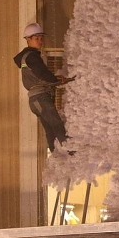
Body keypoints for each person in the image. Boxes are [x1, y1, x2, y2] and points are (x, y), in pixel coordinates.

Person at [13, 22, 73, 153]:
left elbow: (39, 75)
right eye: (36, 38)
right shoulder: (32, 56)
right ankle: (71, 152)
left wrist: (55, 79)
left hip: (35, 100)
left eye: (41, 38)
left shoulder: (26, 57)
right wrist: (55, 79)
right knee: (56, 124)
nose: (40, 41)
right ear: (28, 39)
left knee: (50, 129)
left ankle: (55, 154)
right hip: (40, 98)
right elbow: (43, 74)